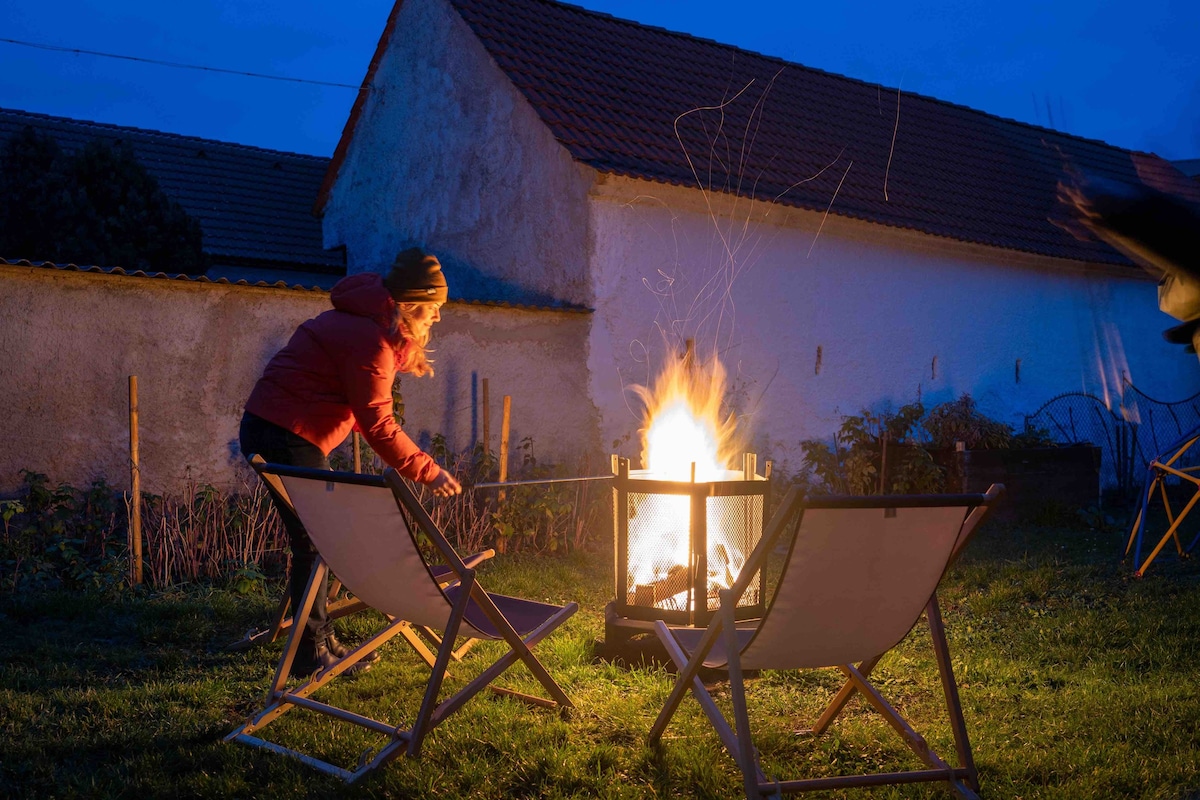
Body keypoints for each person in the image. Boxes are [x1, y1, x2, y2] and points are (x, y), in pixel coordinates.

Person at [239, 246, 462, 677]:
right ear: (410, 304)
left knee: (318, 539)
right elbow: (378, 425)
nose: (437, 318)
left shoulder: (362, 325)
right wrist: (428, 471)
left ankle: (317, 640)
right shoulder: (370, 340)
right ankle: (311, 651)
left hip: (274, 429)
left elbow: (360, 409)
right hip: (285, 435)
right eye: (433, 308)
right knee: (320, 540)